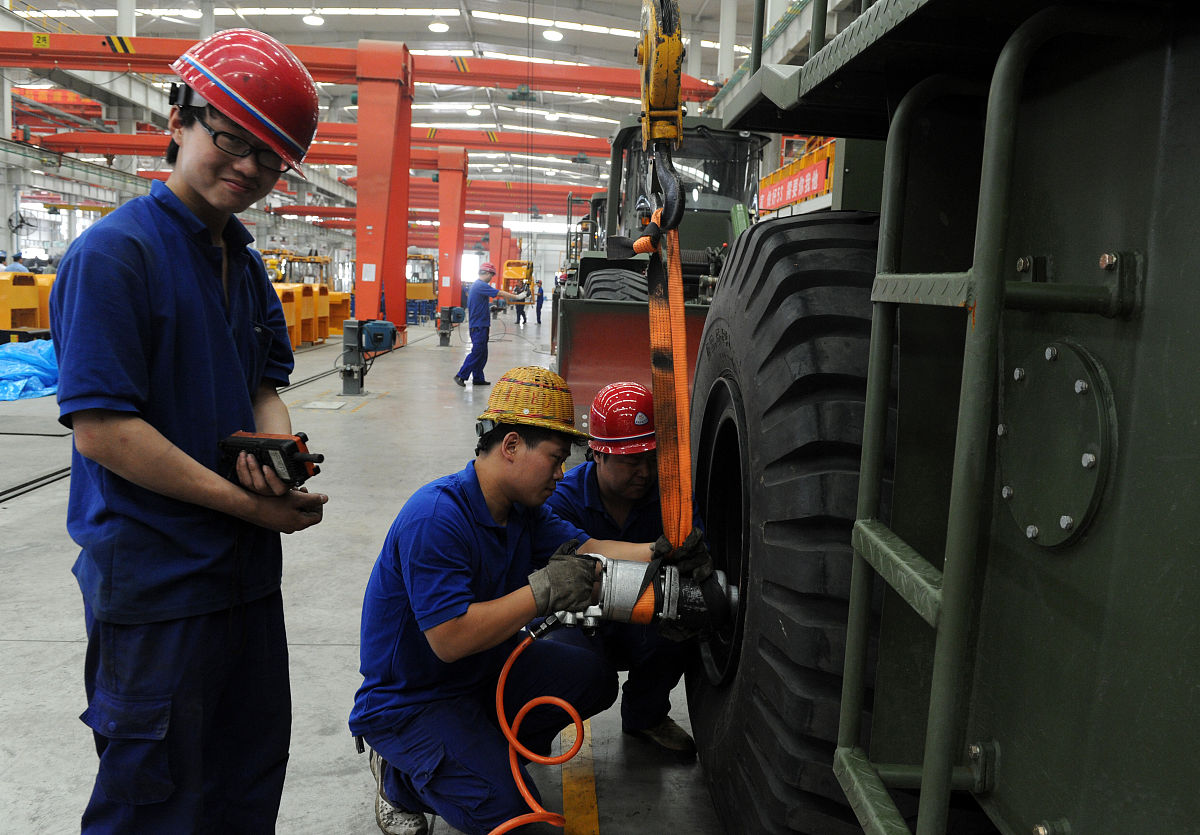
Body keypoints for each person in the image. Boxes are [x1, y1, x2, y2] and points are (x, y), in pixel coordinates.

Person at [48, 29, 329, 833]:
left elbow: (263, 385)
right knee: (156, 803)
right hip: (158, 587)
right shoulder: (114, 257)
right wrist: (247, 508)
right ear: (179, 117)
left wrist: (278, 459)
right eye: (231, 139)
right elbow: (102, 430)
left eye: (269, 159)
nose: (247, 167)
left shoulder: (243, 263)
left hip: (244, 584)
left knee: (244, 787)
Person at [350, 367, 696, 835]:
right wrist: (543, 592)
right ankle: (402, 779)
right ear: (511, 446)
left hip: (482, 675)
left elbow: (591, 550)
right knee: (520, 823)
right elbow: (450, 640)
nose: (561, 473)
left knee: (591, 678)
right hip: (415, 699)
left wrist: (661, 552)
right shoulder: (436, 517)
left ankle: (479, 755)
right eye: (555, 459)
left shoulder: (522, 513)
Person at [544, 381, 699, 756]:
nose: (644, 472)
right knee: (572, 667)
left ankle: (645, 715)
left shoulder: (669, 499)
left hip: (643, 616)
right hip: (578, 623)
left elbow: (698, 546)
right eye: (632, 461)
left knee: (691, 616)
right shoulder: (563, 500)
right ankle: (538, 722)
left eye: (651, 458)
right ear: (597, 454)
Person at [454, 262, 524, 387]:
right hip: (478, 325)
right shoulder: (480, 285)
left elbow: (478, 304)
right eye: (491, 275)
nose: (492, 277)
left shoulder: (478, 286)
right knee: (477, 352)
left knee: (482, 353)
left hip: (481, 324)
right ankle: (461, 375)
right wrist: (517, 296)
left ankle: (478, 378)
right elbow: (500, 293)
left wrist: (490, 308)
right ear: (486, 273)